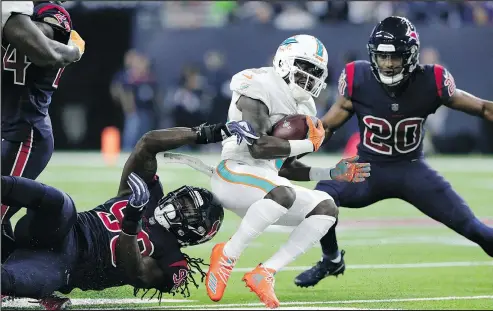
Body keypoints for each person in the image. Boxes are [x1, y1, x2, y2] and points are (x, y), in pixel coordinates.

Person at [294, 16, 493, 288]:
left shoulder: (431, 80)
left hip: (412, 170)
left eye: (395, 57)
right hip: (368, 169)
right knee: (320, 197)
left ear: (411, 55)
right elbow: (327, 125)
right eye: (382, 57)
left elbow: (483, 107)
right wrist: (296, 150)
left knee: (476, 230)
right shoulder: (358, 78)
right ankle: (331, 259)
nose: (388, 64)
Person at [1, 122, 257, 307]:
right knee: (60, 203)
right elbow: (147, 143)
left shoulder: (172, 261)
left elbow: (135, 271)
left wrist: (132, 220)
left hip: (65, 266)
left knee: (10, 279)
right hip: (62, 228)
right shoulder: (150, 193)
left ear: (195, 232)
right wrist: (207, 132)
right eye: (183, 198)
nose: (178, 205)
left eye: (189, 211)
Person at [205, 34, 371, 309]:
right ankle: (227, 255)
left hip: (267, 185)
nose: (310, 76)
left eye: (316, 71)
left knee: (326, 207)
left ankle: (265, 272)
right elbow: (258, 147)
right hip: (234, 172)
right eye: (304, 67)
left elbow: (287, 167)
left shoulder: (305, 106)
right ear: (283, 61)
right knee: (281, 192)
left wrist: (331, 173)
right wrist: (309, 142)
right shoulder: (257, 83)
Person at [1, 1, 84, 264]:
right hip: (9, 129)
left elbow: (41, 47)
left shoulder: (53, 12)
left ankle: (28, 277)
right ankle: (14, 279)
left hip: (25, 136)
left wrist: (72, 50)